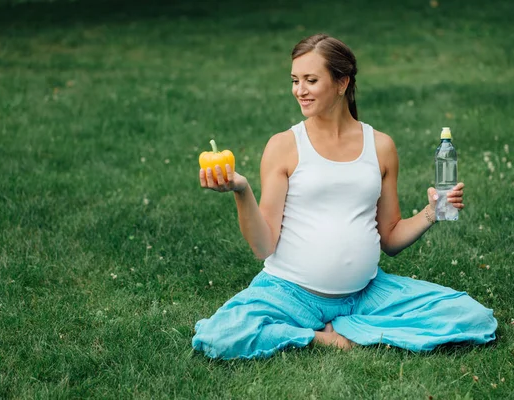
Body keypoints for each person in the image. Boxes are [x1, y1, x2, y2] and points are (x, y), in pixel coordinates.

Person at [193, 34, 497, 359]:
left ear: (342, 83)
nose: (300, 90)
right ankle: (322, 337)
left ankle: (349, 323)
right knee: (219, 336)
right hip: (290, 292)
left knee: (474, 318)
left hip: (366, 293)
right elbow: (263, 246)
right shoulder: (283, 146)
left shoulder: (381, 146)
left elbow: (391, 238)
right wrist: (242, 190)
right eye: (295, 80)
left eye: (311, 80)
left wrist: (431, 213)